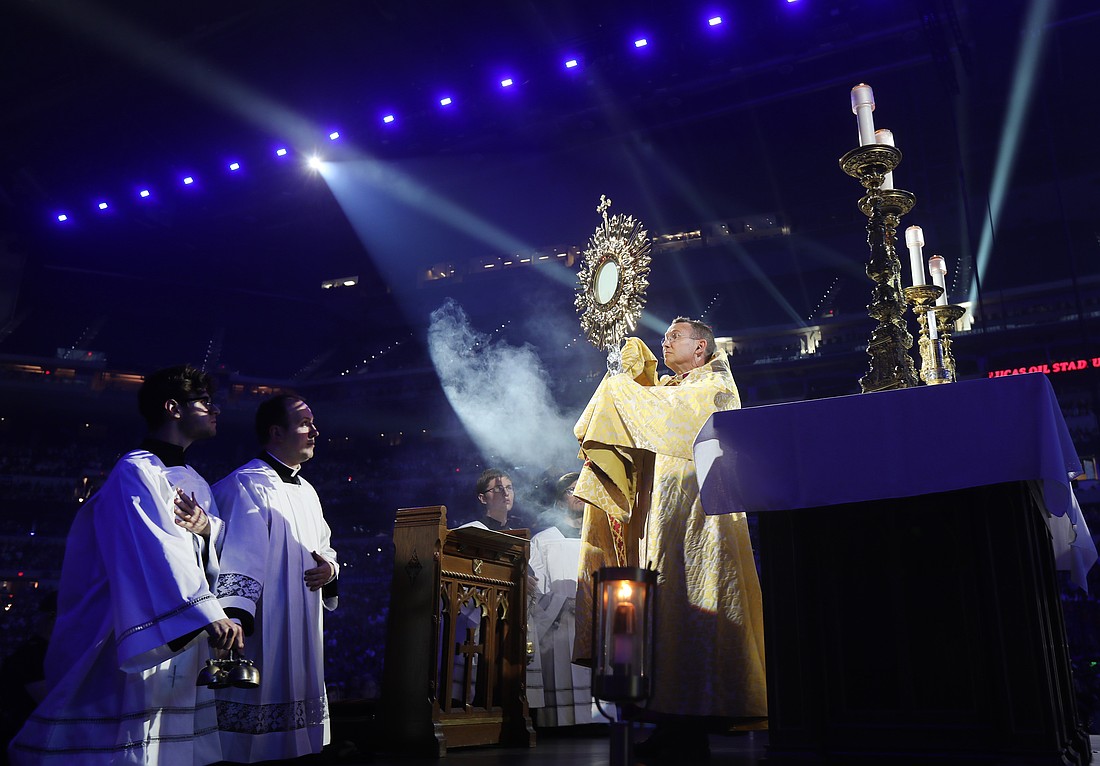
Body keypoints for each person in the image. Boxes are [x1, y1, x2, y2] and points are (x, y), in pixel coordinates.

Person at [9, 364, 243, 766]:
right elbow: (154, 552)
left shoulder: (196, 479)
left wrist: (208, 529)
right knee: (126, 746)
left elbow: (210, 546)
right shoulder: (135, 471)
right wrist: (206, 610)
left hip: (180, 634)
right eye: (204, 402)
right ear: (173, 408)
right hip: (139, 628)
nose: (215, 410)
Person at [572, 318, 767, 757]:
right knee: (668, 616)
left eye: (675, 336)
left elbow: (658, 418)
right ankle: (671, 721)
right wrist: (636, 377)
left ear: (700, 348)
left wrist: (619, 383)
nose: (666, 341)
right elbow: (649, 414)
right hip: (667, 518)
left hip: (702, 519)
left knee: (695, 615)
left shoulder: (714, 387)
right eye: (665, 336)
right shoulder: (675, 387)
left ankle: (692, 721)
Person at [211, 394, 339, 762]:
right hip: (263, 627)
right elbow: (237, 557)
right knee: (254, 740)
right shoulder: (245, 485)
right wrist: (234, 617)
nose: (314, 430)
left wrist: (329, 569)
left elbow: (326, 548)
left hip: (304, 623)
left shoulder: (308, 491)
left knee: (299, 742)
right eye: (304, 423)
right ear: (276, 432)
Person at [527, 472, 605, 728]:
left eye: (582, 488)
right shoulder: (543, 540)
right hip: (559, 627)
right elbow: (534, 590)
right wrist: (562, 604)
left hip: (594, 622)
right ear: (559, 502)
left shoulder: (598, 538)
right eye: (571, 490)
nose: (579, 494)